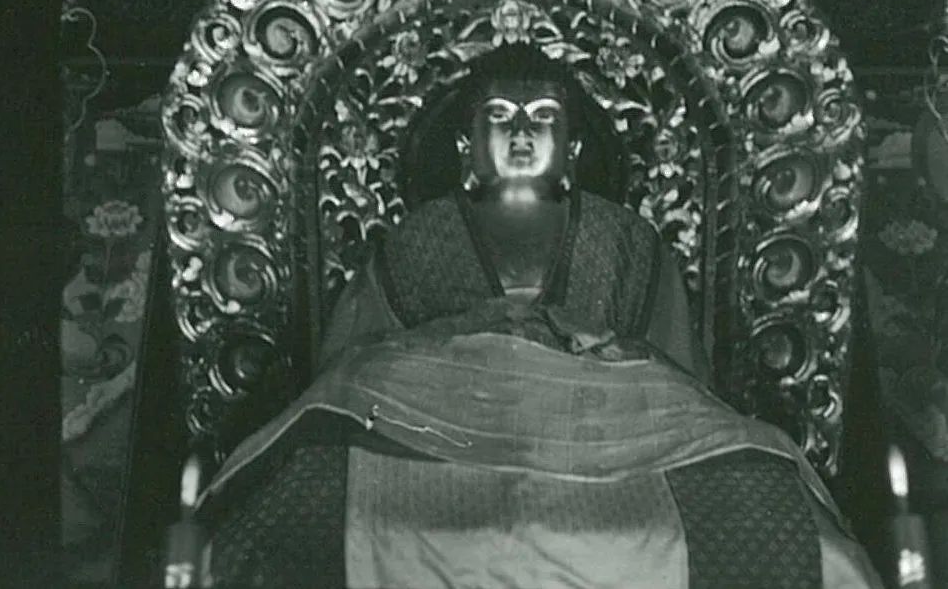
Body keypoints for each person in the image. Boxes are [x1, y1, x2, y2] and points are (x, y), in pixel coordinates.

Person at [197, 44, 882, 589]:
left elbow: (683, 388)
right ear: (465, 147)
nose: (522, 130)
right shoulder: (416, 237)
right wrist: (452, 344)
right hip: (434, 435)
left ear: (574, 149)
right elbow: (348, 379)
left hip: (616, 438)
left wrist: (592, 353)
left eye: (543, 116)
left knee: (761, 498)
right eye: (499, 115)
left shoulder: (627, 239)